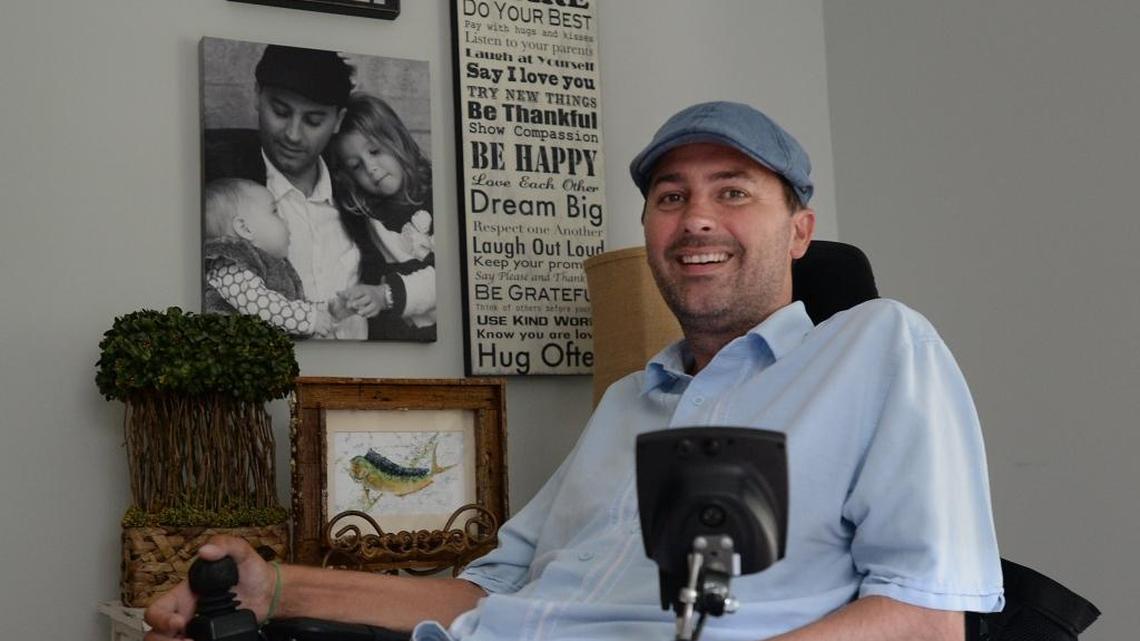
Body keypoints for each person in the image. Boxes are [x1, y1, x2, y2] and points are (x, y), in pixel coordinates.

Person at [148, 101, 1004, 641]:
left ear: (801, 231)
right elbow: (484, 596)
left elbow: (925, 615)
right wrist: (279, 583)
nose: (696, 217)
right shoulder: (629, 401)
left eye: (733, 190)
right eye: (671, 197)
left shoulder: (877, 349)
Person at [204, 43, 367, 339]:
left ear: (338, 121)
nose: (292, 134)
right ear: (256, 95)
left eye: (313, 121)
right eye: (280, 111)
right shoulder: (214, 172)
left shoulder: (362, 182)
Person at [328, 93, 437, 341]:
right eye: (356, 166)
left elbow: (448, 279)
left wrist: (385, 295)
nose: (370, 168)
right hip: (401, 337)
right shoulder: (364, 215)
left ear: (396, 139)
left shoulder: (438, 192)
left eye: (375, 151)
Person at [202, 178, 354, 338]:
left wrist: (326, 309)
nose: (285, 220)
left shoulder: (271, 265)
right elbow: (258, 305)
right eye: (275, 211)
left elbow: (286, 303)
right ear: (244, 228)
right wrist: (308, 318)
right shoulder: (230, 263)